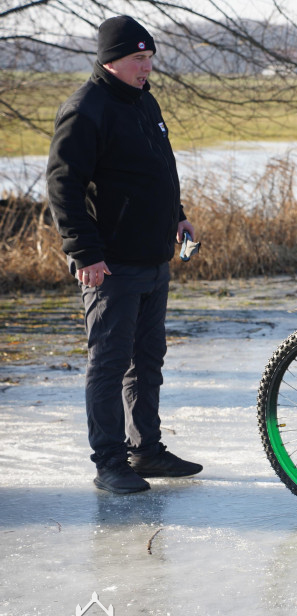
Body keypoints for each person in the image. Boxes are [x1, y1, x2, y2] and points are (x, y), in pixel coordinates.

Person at [46, 15, 203, 495]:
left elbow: (157, 169)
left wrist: (177, 215)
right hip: (110, 264)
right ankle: (110, 461)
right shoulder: (86, 108)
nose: (147, 67)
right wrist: (84, 253)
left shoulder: (144, 101)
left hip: (153, 260)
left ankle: (146, 451)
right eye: (139, 58)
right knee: (109, 364)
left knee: (147, 361)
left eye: (150, 58)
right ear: (111, 60)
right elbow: (62, 187)